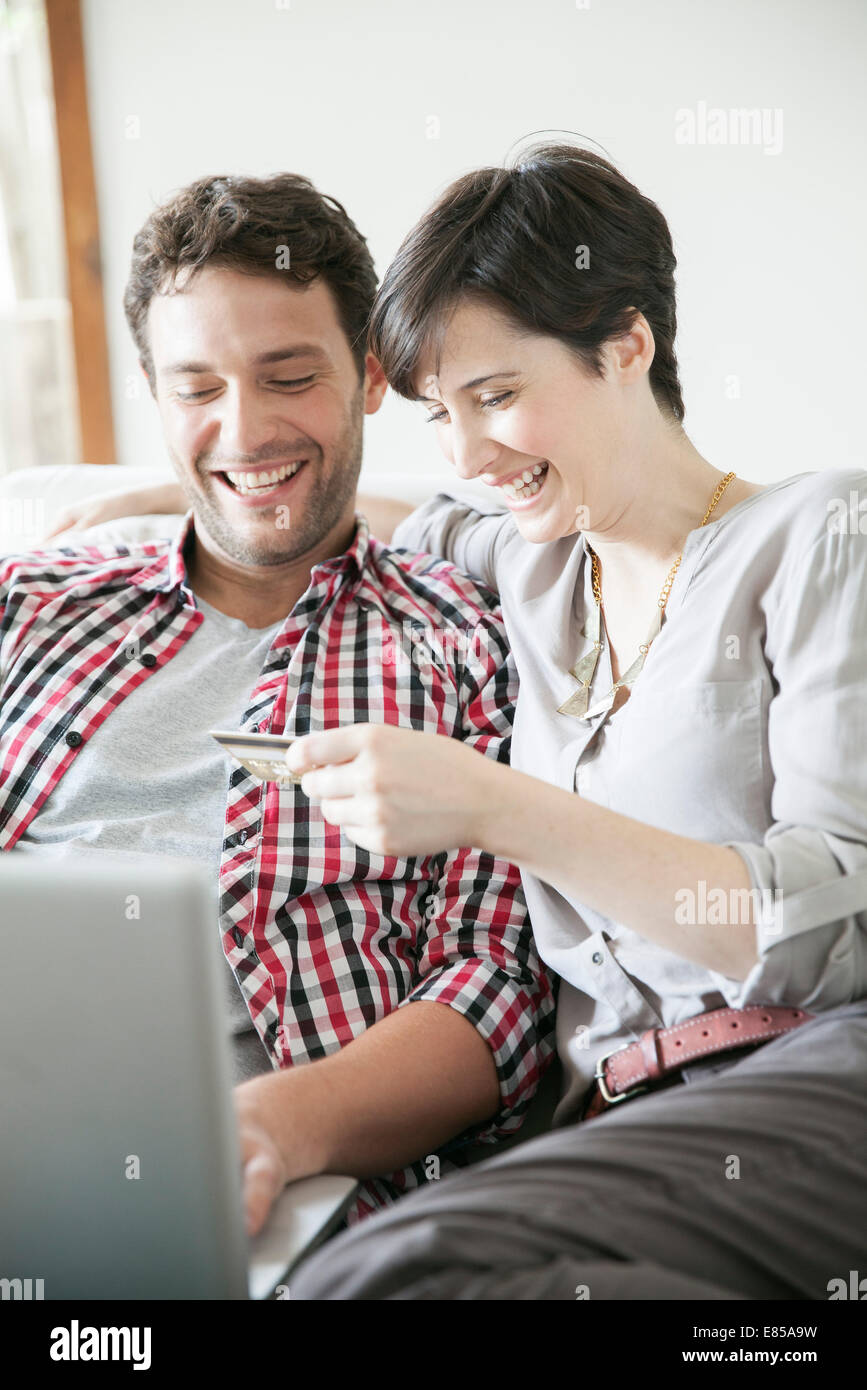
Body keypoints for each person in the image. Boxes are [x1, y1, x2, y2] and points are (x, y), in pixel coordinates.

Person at [52, 145, 867, 1301]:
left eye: (496, 396)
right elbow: (367, 511)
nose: (471, 454)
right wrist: (175, 488)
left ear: (626, 344)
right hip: (616, 1121)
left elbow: (835, 924)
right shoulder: (528, 560)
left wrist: (495, 807)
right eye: (441, 411)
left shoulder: (820, 535)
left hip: (817, 1062)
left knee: (397, 1265)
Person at [0, 171, 555, 1237]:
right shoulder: (33, 605)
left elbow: (496, 991)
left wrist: (268, 1127)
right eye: (197, 388)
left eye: (289, 375)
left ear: (371, 377)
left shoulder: (466, 638)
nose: (244, 430)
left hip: (290, 1183)